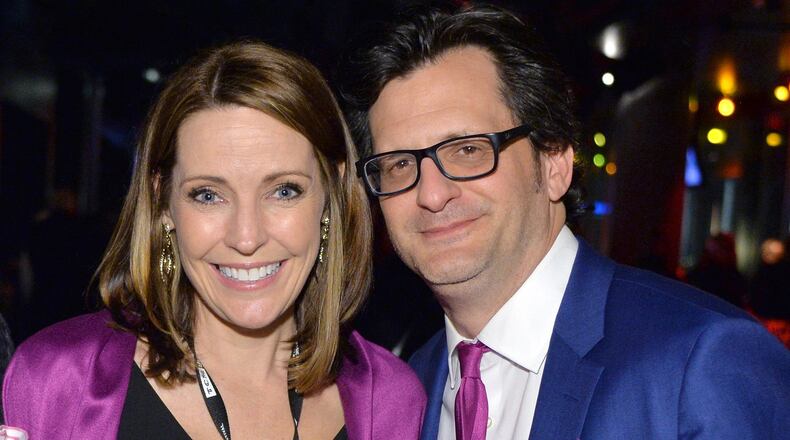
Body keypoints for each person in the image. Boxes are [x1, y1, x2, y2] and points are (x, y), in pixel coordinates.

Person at [341, 4, 790, 439]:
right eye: (399, 164)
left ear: (555, 162)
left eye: (469, 150)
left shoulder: (701, 362)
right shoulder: (405, 391)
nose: (432, 194)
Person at [3, 41, 425, 439]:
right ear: (163, 201)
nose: (246, 237)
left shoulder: (390, 400)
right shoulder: (59, 380)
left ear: (331, 193)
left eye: (283, 191)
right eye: (208, 195)